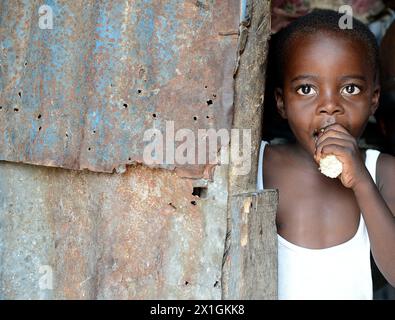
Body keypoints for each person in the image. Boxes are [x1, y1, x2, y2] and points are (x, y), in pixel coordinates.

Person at [257, 9, 395, 299]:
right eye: (306, 89)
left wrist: (362, 182)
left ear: (373, 100)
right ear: (281, 102)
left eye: (350, 88)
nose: (329, 106)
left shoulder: (382, 170)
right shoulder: (257, 164)